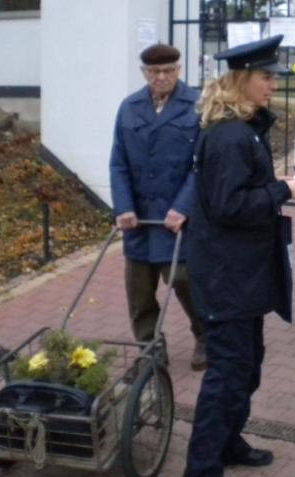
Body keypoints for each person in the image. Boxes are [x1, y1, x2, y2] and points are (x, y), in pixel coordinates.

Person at [181, 35, 295, 477]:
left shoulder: (241, 128)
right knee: (228, 374)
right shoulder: (230, 136)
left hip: (241, 271)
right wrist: (282, 190)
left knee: (246, 366)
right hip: (227, 275)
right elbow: (229, 205)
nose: (273, 84)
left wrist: (275, 186)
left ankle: (228, 443)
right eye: (266, 77)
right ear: (242, 81)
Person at [109, 43, 207, 371]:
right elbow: (118, 163)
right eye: (154, 71)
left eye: (168, 70)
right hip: (139, 219)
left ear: (179, 70)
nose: (161, 77)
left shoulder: (198, 106)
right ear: (144, 72)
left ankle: (205, 334)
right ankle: (150, 347)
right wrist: (123, 207)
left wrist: (183, 207)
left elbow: (202, 165)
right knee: (139, 292)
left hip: (177, 217)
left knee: (184, 279)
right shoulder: (129, 108)